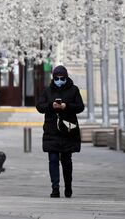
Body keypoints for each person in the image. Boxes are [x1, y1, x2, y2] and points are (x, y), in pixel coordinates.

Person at [36, 65, 85, 198]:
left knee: (66, 160)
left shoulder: (74, 90)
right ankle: (55, 188)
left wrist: (66, 106)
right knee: (52, 159)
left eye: (62, 78)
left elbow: (80, 107)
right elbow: (39, 106)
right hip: (52, 130)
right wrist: (51, 106)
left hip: (68, 130)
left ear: (66, 77)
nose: (59, 80)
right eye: (56, 78)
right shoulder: (47, 90)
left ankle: (68, 186)